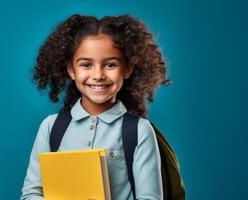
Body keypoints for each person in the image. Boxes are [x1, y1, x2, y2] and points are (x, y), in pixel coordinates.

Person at [20, 14, 171, 200]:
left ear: (127, 69)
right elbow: (31, 194)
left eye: (110, 64)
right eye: (86, 64)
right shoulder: (51, 128)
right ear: (71, 70)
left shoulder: (139, 130)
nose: (98, 75)